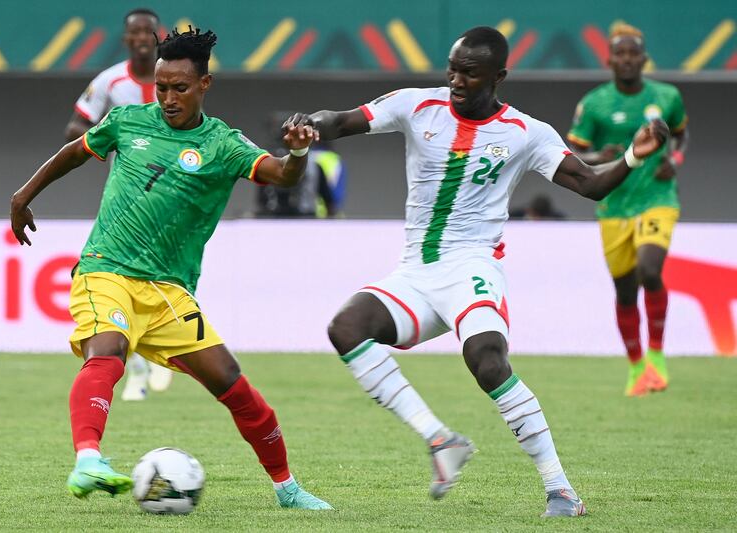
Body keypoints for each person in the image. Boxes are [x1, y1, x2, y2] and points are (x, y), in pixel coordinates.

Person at [286, 26, 668, 517]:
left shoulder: (526, 133)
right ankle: (441, 440)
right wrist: (310, 127)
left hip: (472, 267)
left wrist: (634, 155)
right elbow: (341, 120)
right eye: (452, 69)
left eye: (469, 73)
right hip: (416, 273)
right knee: (346, 328)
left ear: (498, 77)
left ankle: (561, 489)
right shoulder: (415, 104)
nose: (456, 81)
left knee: (487, 360)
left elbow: (590, 185)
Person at [10, 27, 331, 510]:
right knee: (108, 350)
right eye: (161, 87)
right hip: (106, 270)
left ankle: (288, 488)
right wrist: (23, 196)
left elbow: (283, 174)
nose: (167, 97)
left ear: (204, 85)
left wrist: (300, 151)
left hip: (167, 292)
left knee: (231, 379)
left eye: (179, 87)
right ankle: (88, 459)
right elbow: (75, 152)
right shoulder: (127, 121)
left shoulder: (224, 145)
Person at [567, 23, 689, 397]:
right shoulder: (595, 104)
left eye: (633, 53)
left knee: (650, 272)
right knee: (624, 292)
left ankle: (656, 354)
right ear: (609, 60)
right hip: (614, 204)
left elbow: (680, 132)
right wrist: (596, 157)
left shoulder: (667, 96)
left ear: (644, 58)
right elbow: (572, 151)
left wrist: (676, 158)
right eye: (620, 53)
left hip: (657, 197)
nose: (627, 59)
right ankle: (637, 367)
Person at [66, 8, 173, 401]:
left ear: (158, 35)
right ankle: (141, 366)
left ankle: (154, 353)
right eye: (135, 32)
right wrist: (112, 136)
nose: (143, 37)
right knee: (124, 273)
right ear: (127, 39)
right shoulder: (110, 81)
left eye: (149, 30)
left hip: (174, 195)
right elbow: (76, 127)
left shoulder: (174, 78)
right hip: (126, 196)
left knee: (164, 270)